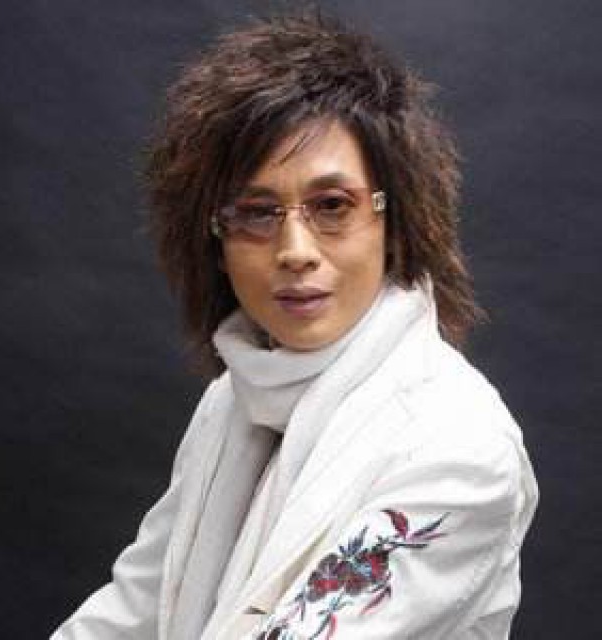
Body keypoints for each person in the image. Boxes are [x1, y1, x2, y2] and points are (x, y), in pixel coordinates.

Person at [51, 10, 538, 640]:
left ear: (395, 223)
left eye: (332, 206)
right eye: (256, 212)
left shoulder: (457, 447)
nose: (295, 250)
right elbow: (136, 611)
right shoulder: (233, 400)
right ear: (216, 239)